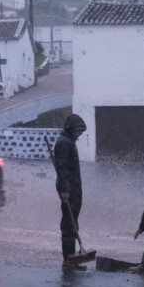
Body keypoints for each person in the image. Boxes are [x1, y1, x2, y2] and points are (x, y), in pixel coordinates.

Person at [53, 114, 87, 268]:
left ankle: (71, 259)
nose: (80, 134)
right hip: (69, 190)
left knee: (72, 224)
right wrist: (65, 190)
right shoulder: (64, 143)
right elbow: (62, 169)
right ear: (71, 129)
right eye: (78, 131)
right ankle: (68, 261)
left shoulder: (69, 142)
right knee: (68, 224)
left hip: (74, 189)